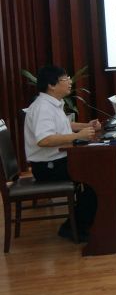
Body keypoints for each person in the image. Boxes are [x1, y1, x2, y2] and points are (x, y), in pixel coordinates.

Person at [23, 65, 102, 242]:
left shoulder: (52, 103)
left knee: (96, 171)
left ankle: (86, 222)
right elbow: (44, 139)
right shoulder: (43, 107)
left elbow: (65, 126)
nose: (70, 82)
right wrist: (77, 137)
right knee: (95, 177)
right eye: (65, 79)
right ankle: (74, 228)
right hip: (48, 168)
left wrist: (87, 126)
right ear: (51, 85)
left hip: (57, 162)